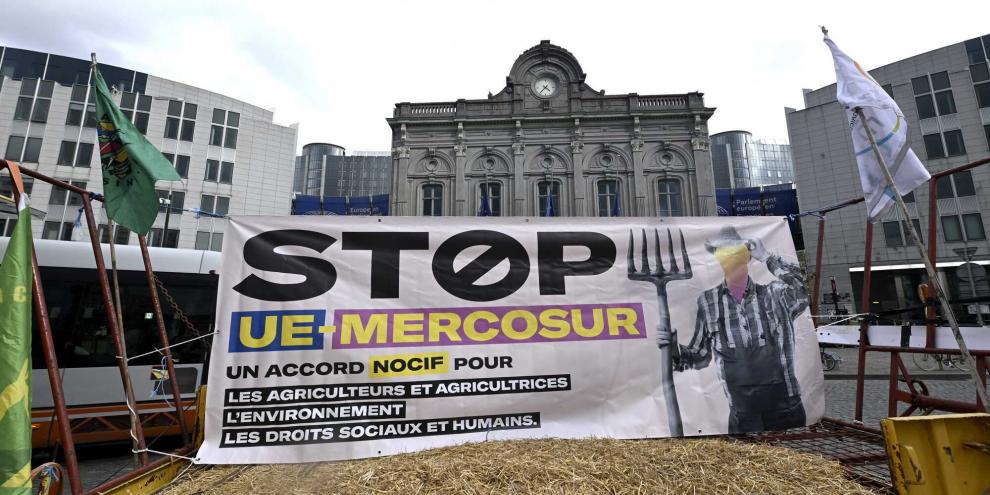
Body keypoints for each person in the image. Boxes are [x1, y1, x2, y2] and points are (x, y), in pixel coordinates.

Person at [656, 225, 809, 433]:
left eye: (736, 251)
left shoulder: (777, 296)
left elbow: (802, 289)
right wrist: (674, 349)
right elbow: (699, 356)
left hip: (787, 412)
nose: (730, 257)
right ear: (718, 258)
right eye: (724, 253)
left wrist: (767, 257)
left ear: (748, 256)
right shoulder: (708, 302)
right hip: (743, 417)